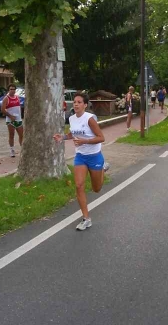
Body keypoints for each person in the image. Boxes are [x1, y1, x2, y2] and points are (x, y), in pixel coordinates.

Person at [53, 92, 109, 231]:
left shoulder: (89, 119)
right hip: (81, 156)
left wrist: (85, 141)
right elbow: (73, 133)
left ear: (85, 105)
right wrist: (64, 137)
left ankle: (102, 168)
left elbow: (101, 137)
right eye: (75, 102)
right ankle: (86, 218)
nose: (76, 104)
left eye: (79, 102)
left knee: (96, 189)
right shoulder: (72, 118)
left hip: (94, 155)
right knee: (79, 185)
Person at [1, 83, 23, 157]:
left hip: (18, 119)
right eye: (11, 89)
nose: (12, 91)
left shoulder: (17, 97)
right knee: (11, 135)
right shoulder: (6, 98)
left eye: (14, 89)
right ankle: (12, 150)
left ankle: (22, 149)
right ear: (8, 90)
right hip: (10, 120)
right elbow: (2, 110)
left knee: (21, 135)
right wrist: (10, 116)